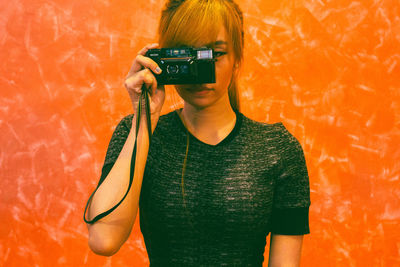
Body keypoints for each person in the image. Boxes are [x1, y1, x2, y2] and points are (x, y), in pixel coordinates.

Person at [85, 0, 311, 266]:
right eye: (187, 56)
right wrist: (143, 119)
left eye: (215, 55)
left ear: (237, 58)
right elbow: (103, 240)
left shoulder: (277, 149)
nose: (203, 75)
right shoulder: (138, 133)